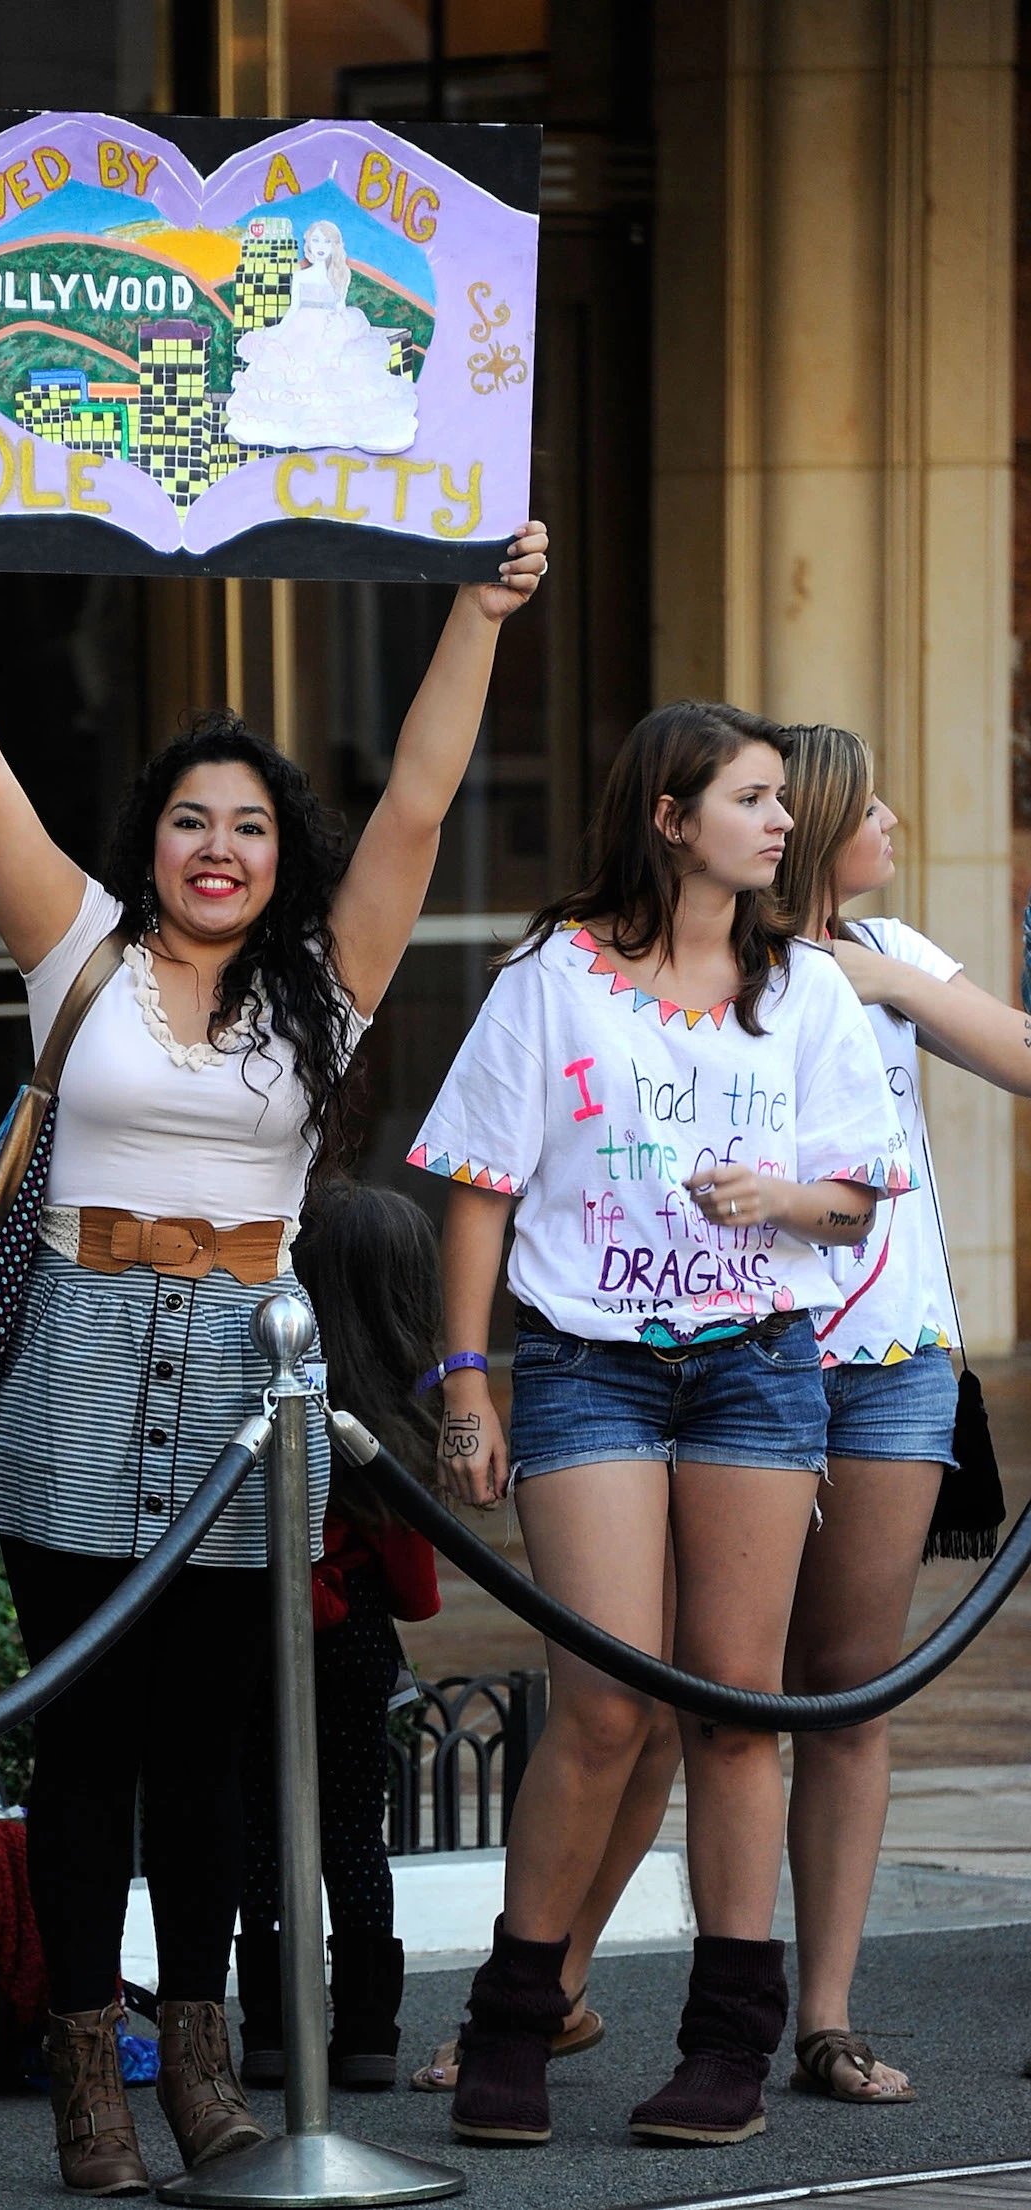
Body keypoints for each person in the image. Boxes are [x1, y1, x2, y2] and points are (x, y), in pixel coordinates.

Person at [0, 484, 547, 2196]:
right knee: (88, 1749)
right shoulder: (73, 951)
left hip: (250, 1375)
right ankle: (93, 2084)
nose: (218, 847)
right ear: (149, 839)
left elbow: (426, 803)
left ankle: (210, 2077)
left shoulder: (323, 984)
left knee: (214, 1758)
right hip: (74, 1359)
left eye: (250, 827)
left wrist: (480, 614)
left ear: (282, 853)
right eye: (189, 822)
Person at [414, 701, 912, 2150]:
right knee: (608, 1700)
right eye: (751, 799)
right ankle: (513, 2018)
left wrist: (781, 1201)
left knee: (736, 1707)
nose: (779, 822)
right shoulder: (551, 977)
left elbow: (854, 1196)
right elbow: (480, 1184)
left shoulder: (806, 986)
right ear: (670, 816)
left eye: (780, 802)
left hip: (758, 1361)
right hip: (588, 1365)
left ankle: (727, 2046)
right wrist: (466, 1381)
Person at [768, 723, 1031, 2100]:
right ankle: (556, 1990)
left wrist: (872, 971)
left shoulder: (897, 954)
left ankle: (826, 2011)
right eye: (870, 806)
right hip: (734, 1360)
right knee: (677, 1692)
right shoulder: (712, 957)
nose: (896, 820)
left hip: (892, 1364)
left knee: (849, 1693)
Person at [237, 1180, 441, 2093]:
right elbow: (415, 1590)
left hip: (257, 1625)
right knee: (356, 1831)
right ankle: (367, 2035)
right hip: (355, 1632)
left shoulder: (259, 1389)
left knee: (264, 1833)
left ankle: (273, 2032)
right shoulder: (387, 1417)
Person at [225, 220, 417, 455]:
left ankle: (328, 428)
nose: (320, 246)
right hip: (299, 331)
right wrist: (275, 334)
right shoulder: (300, 277)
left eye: (326, 241)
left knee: (330, 381)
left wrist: (339, 336)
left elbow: (340, 309)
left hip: (328, 331)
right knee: (292, 377)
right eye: (315, 240)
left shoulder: (339, 276)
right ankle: (294, 427)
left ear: (335, 245)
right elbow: (293, 310)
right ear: (307, 243)